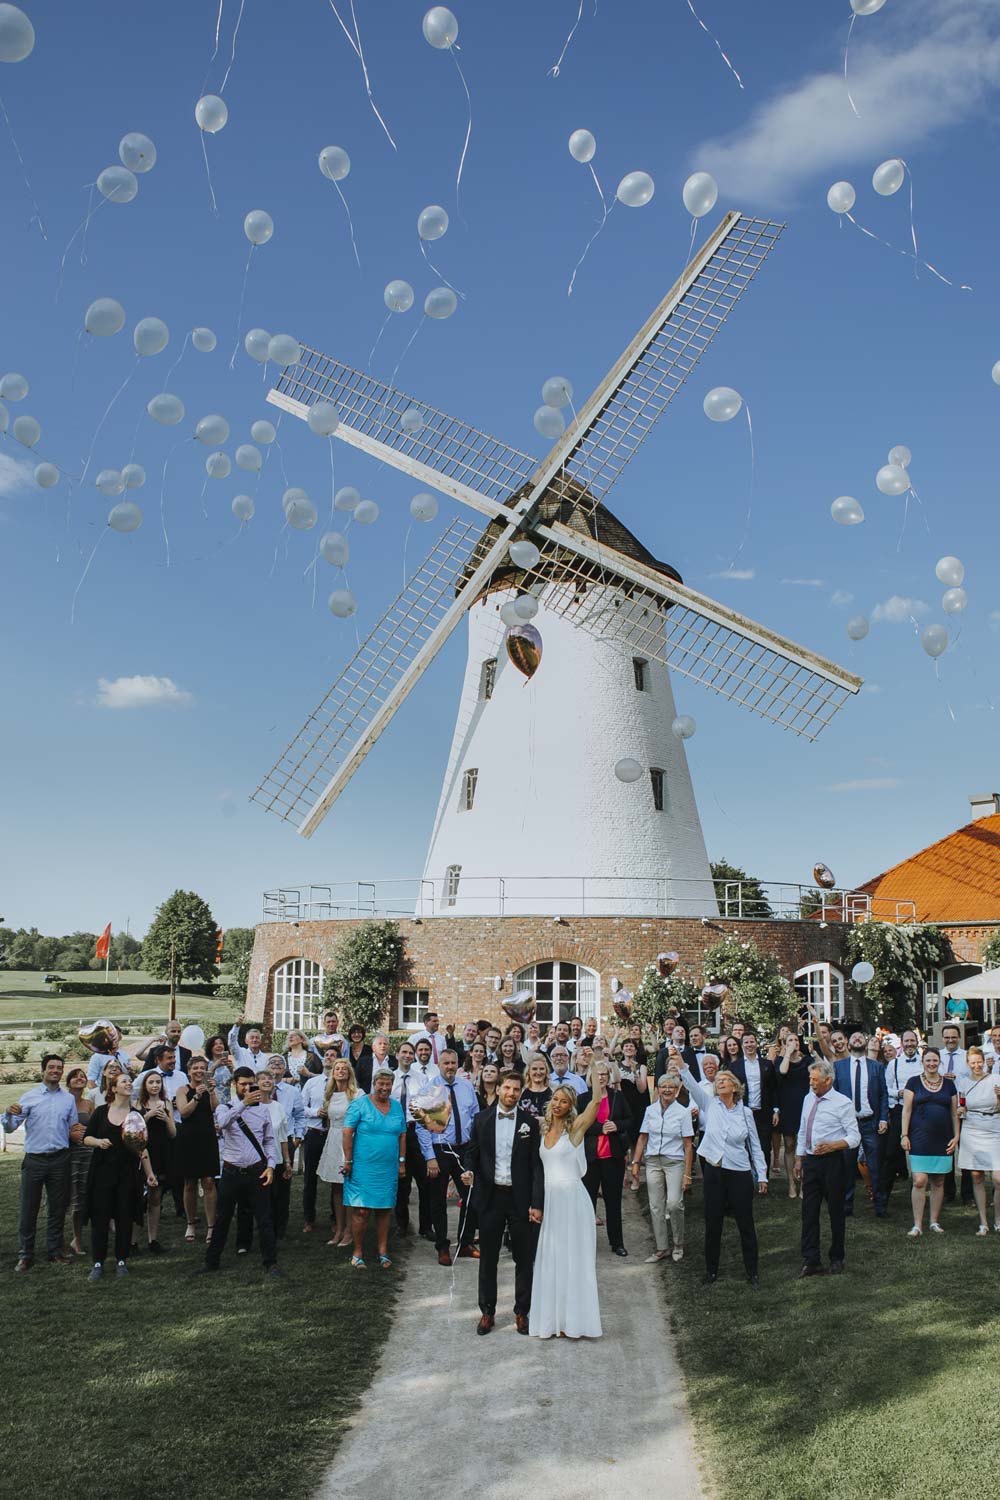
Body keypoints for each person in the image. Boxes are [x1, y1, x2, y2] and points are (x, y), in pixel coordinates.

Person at [678, 1050, 768, 1286]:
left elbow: (756, 1147)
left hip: (739, 1172)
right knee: (713, 1221)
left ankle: (752, 1271)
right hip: (715, 1172)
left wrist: (762, 1175)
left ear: (735, 1087)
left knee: (745, 1222)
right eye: (717, 1082)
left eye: (724, 1080)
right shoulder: (710, 1104)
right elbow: (689, 1083)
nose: (719, 1083)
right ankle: (711, 1271)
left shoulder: (746, 1113)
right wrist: (680, 1064)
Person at [463, 1070, 543, 1335]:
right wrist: (468, 1171)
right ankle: (487, 1311)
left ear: (521, 1092)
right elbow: (472, 1153)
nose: (511, 1093)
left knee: (524, 1259)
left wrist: (536, 1203)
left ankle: (522, 1312)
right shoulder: (481, 1119)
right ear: (497, 1089)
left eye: (516, 1089)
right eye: (507, 1088)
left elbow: (535, 1167)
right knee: (488, 1259)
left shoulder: (529, 1124)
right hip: (490, 1197)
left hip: (519, 1199)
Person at [529, 1078, 606, 1339]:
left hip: (571, 1200)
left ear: (571, 1105)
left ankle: (574, 1322)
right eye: (556, 1100)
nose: (559, 1104)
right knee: (551, 1258)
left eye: (564, 1101)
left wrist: (596, 1065)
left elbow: (596, 1101)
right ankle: (554, 1322)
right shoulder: (542, 1129)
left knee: (573, 1260)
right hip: (549, 1199)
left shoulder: (575, 1130)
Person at [195, 1068, 279, 1277]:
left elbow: (269, 1140)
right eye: (243, 1084)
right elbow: (222, 1124)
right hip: (232, 1172)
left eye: (251, 1083)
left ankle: (271, 1262)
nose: (248, 1087)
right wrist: (244, 1104)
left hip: (257, 1170)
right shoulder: (226, 1107)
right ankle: (211, 1261)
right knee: (222, 1218)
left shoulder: (263, 1111)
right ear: (235, 1084)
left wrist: (271, 1165)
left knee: (264, 1218)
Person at [2, 1054, 79, 1270]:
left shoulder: (68, 1099)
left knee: (57, 1209)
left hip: (60, 1159)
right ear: (43, 1071)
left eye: (59, 1068)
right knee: (29, 1209)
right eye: (51, 1067)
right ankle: (26, 1254)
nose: (55, 1070)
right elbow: (9, 1127)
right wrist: (8, 1114)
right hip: (34, 1160)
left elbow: (73, 1129)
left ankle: (54, 1251)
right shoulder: (29, 1097)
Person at [83, 1072, 157, 1280]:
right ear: (113, 1088)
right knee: (100, 1217)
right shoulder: (100, 1112)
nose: (129, 1084)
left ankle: (121, 1260)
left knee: (125, 1216)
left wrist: (150, 1173)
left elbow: (142, 1148)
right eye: (124, 1081)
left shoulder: (136, 1115)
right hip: (102, 1173)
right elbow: (86, 1138)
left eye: (129, 1081)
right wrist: (98, 1142)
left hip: (127, 1173)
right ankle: (98, 1263)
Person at [794, 1059, 860, 1277]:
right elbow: (803, 1129)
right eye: (810, 1079)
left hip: (832, 1162)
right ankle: (811, 1259)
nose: (811, 1084)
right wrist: (799, 1157)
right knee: (809, 1212)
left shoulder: (842, 1103)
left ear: (828, 1080)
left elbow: (854, 1137)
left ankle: (837, 1256)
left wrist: (833, 1145)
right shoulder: (807, 1099)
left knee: (835, 1211)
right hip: (811, 1162)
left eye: (815, 1080)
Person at [416, 1049, 480, 1266]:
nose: (450, 1067)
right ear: (439, 1064)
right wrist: (429, 1158)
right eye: (446, 1063)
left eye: (454, 1063)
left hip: (464, 1150)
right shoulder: (430, 1090)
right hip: (440, 1150)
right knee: (438, 1201)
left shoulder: (466, 1086)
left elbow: (475, 1117)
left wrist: (475, 1149)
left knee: (471, 1197)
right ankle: (442, 1246)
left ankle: (465, 1243)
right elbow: (423, 1128)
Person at [342, 1069, 407, 1268]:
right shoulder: (359, 1105)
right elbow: (347, 1133)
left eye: (388, 1084)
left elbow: (402, 1134)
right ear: (374, 1083)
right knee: (361, 1210)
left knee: (384, 1209)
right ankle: (358, 1251)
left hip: (387, 1168)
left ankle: (383, 1250)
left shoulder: (396, 1107)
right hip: (363, 1166)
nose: (385, 1088)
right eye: (381, 1084)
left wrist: (402, 1161)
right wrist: (348, 1161)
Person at [631, 1073, 694, 1263]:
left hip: (674, 1161)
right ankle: (661, 1248)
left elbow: (688, 1145)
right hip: (652, 1162)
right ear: (657, 1089)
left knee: (674, 1204)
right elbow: (643, 1137)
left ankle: (678, 1243)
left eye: (671, 1087)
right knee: (656, 1205)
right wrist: (635, 1163)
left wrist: (687, 1174)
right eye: (663, 1086)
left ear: (676, 1091)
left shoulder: (683, 1112)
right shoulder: (650, 1110)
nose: (667, 1090)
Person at [901, 1047, 960, 1237]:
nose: (932, 1064)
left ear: (939, 1062)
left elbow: (954, 1112)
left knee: (939, 1180)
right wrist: (904, 1135)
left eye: (935, 1060)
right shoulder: (913, 1082)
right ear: (923, 1062)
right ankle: (917, 1224)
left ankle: (934, 1221)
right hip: (919, 1138)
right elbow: (907, 1110)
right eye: (928, 1061)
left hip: (943, 1139)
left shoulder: (949, 1085)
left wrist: (957, 1135)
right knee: (919, 1180)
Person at [578, 1061, 632, 1257]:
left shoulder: (617, 1096)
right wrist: (599, 1128)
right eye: (596, 1074)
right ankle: (586, 1244)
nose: (600, 1077)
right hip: (590, 1158)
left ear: (609, 1077)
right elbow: (578, 1126)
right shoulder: (583, 1099)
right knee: (587, 1202)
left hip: (613, 1157)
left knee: (613, 1201)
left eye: (603, 1074)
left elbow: (629, 1120)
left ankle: (616, 1242)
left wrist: (616, 1125)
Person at [833, 1032, 889, 1217]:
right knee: (847, 1167)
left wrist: (882, 1118)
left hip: (870, 1123)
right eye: (854, 1037)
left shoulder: (877, 1067)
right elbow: (834, 1097)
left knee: (875, 1166)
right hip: (848, 1124)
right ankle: (846, 1206)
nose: (857, 1039)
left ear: (865, 1043)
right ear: (848, 1044)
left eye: (861, 1037)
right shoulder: (838, 1067)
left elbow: (883, 1094)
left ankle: (880, 1206)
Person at [175, 1056, 220, 1244]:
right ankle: (191, 1223)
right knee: (189, 1183)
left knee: (209, 1181)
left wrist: (212, 1092)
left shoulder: (209, 1089)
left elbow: (215, 1109)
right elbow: (184, 1113)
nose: (199, 1071)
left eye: (202, 1068)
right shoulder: (183, 1090)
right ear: (189, 1071)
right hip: (189, 1138)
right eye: (196, 1068)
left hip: (207, 1137)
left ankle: (211, 1226)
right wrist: (196, 1096)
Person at [957, 1047, 1000, 1234]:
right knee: (977, 1176)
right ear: (968, 1063)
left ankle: (998, 1219)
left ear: (984, 1061)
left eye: (979, 1061)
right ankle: (983, 1222)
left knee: (998, 1179)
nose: (976, 1065)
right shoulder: (963, 1083)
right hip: (972, 1128)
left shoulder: (996, 1079)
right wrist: (961, 1111)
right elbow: (961, 1106)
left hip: (994, 1127)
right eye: (973, 1062)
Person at [390, 1042, 431, 1240]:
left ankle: (425, 1226)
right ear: (397, 1054)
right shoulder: (390, 1078)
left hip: (416, 1132)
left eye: (410, 1053)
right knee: (402, 1183)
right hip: (397, 1134)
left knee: (424, 1183)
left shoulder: (421, 1079)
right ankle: (402, 1224)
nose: (407, 1056)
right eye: (403, 1052)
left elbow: (427, 1107)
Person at [880, 1029, 924, 1209]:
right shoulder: (894, 1064)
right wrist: (899, 1092)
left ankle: (931, 1194)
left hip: (921, 1112)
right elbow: (886, 1088)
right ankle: (883, 1199)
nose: (909, 1044)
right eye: (906, 1041)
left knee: (923, 1152)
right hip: (899, 1110)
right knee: (891, 1154)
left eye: (912, 1041)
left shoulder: (925, 1061)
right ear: (902, 1044)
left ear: (917, 1042)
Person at [318, 1058, 358, 1246]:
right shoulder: (329, 1095)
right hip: (333, 1140)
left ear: (349, 1072)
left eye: (344, 1069)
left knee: (348, 1186)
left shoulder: (357, 1095)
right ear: (333, 1073)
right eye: (337, 1069)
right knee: (336, 1187)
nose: (340, 1071)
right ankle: (339, 1229)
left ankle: (350, 1231)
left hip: (350, 1141)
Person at [300, 1046, 339, 1233]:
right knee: (310, 1179)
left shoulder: (341, 1084)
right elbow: (301, 1107)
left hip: (333, 1134)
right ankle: (309, 1218)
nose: (328, 1058)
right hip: (315, 1133)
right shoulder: (312, 1083)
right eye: (326, 1055)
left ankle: (335, 1218)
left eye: (333, 1055)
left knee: (335, 1178)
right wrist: (316, 1112)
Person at [137, 1070, 177, 1253]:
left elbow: (173, 1133)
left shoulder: (167, 1103)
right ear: (145, 1085)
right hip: (143, 1151)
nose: (155, 1085)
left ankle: (153, 1239)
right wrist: (149, 1115)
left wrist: (167, 1118)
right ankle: (132, 1241)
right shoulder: (138, 1103)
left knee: (156, 1196)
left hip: (161, 1153)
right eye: (151, 1082)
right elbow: (134, 1129)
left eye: (158, 1082)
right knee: (137, 1197)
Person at [730, 1030, 778, 1169]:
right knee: (743, 1148)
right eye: (746, 1042)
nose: (749, 1045)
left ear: (756, 1044)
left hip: (763, 1112)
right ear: (742, 1045)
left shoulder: (767, 1064)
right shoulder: (735, 1066)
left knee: (764, 1148)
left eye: (752, 1041)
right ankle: (747, 1180)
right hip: (742, 1112)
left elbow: (773, 1088)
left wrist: (776, 1110)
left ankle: (764, 1180)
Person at [257, 1070, 293, 1240]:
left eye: (269, 1078)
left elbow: (283, 1137)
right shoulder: (251, 1106)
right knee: (263, 1198)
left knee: (280, 1197)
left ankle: (280, 1231)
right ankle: (264, 1229)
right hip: (258, 1160)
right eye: (262, 1079)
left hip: (277, 1159)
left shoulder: (278, 1107)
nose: (267, 1081)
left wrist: (287, 1161)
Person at [775, 1034, 812, 1200]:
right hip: (787, 1106)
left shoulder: (807, 1061)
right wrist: (787, 1054)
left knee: (803, 1147)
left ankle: (804, 1183)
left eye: (796, 1040)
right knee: (789, 1145)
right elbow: (782, 1072)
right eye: (790, 1040)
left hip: (805, 1106)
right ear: (784, 1043)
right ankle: (791, 1182)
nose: (794, 1043)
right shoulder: (781, 1061)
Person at [65, 1066, 94, 1257]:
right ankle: (76, 1239)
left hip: (88, 1153)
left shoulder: (88, 1103)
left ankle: (85, 1237)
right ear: (68, 1082)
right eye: (75, 1076)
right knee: (73, 1199)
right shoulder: (62, 1101)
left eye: (82, 1076)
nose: (79, 1078)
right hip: (69, 1154)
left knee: (87, 1196)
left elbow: (94, 1126)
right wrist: (70, 1134)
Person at [617, 1039, 649, 1141]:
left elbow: (642, 1089)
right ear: (622, 1050)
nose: (629, 1048)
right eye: (626, 1046)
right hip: (621, 1104)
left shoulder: (642, 1067)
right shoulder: (616, 1066)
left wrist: (635, 1073)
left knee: (635, 1138)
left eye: (631, 1046)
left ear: (635, 1051)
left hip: (636, 1105)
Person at [519, 1054, 553, 1121]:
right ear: (528, 1071)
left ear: (546, 1071)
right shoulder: (520, 1092)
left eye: (542, 1069)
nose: (538, 1072)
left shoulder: (554, 1091)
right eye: (534, 1069)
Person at [204, 1036, 233, 1105]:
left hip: (226, 1103)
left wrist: (232, 1070)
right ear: (210, 1048)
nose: (219, 1046)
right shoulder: (206, 1065)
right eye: (215, 1044)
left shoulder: (229, 1065)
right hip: (211, 1103)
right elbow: (205, 1082)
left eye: (221, 1043)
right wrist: (215, 1065)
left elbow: (236, 1083)